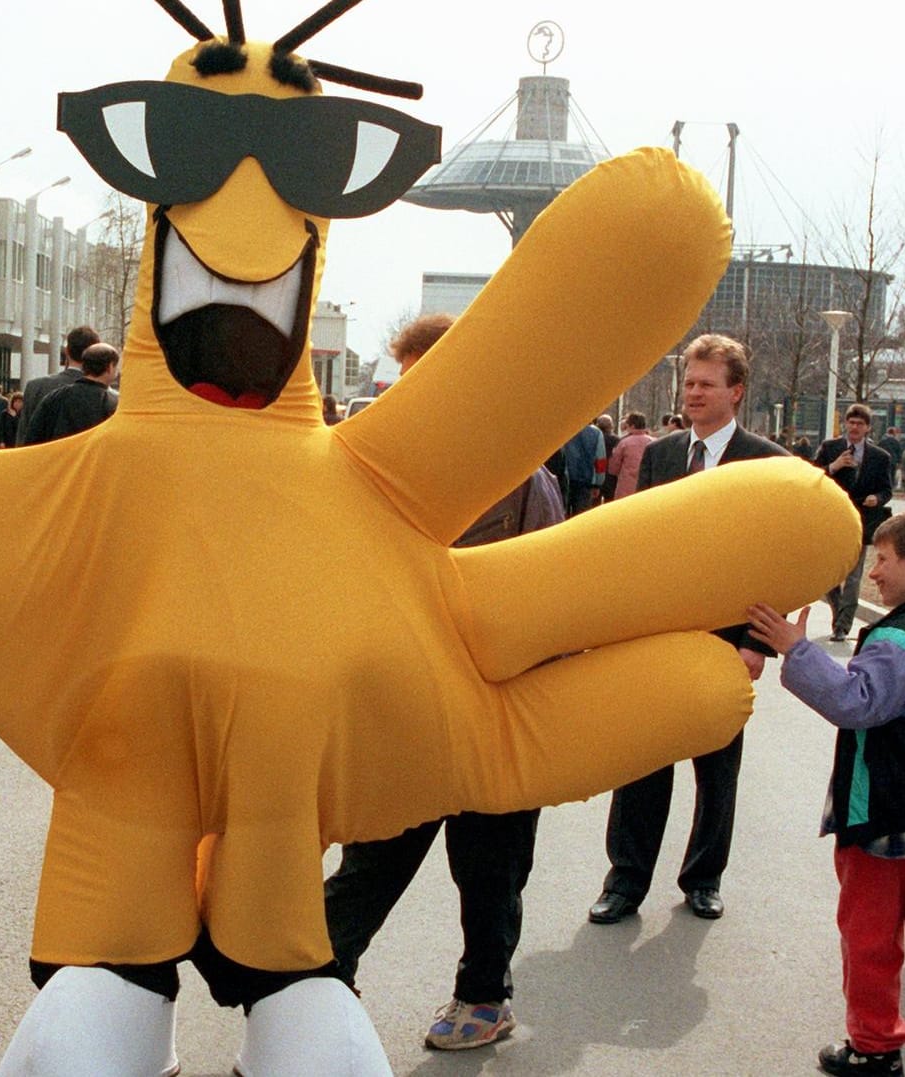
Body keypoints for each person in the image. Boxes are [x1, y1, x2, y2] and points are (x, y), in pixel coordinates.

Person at [323, 313, 564, 1052]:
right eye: (409, 378)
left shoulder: (523, 477)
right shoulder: (376, 471)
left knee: (490, 869)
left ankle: (484, 994)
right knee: (371, 858)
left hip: (495, 711)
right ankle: (320, 983)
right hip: (402, 710)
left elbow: (549, 593)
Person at [746, 511, 905, 1077]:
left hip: (881, 819)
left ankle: (874, 1045)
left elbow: (858, 702)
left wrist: (794, 648)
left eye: (883, 559)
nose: (873, 572)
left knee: (871, 943)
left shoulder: (902, 640)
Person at [589, 333, 786, 925]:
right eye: (689, 383)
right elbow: (644, 542)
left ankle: (704, 878)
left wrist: (756, 643)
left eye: (706, 384)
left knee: (716, 764)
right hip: (660, 636)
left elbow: (778, 559)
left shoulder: (769, 463)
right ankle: (625, 881)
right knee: (643, 759)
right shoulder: (662, 455)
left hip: (730, 639)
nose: (694, 393)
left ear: (737, 391)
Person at [817, 403, 895, 643]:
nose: (854, 427)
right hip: (833, 519)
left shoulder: (880, 457)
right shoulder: (831, 449)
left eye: (860, 424)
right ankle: (838, 608)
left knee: (853, 575)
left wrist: (877, 499)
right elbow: (812, 474)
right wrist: (834, 466)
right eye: (851, 422)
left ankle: (842, 624)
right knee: (828, 575)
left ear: (867, 428)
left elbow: (886, 489)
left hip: (861, 522)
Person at [17, 325, 100, 445]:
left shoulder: (35, 387)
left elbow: (23, 438)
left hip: (44, 460)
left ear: (67, 351)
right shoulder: (105, 395)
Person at [24, 343, 121, 444]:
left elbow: (32, 439)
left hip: (58, 457)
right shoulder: (114, 404)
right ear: (110, 367)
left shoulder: (54, 397)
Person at [555, 417, 605, 514]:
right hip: (585, 481)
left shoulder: (563, 431)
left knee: (562, 513)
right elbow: (600, 460)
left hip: (565, 479)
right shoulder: (596, 433)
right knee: (582, 514)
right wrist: (598, 483)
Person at [606, 411, 654, 499]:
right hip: (648, 487)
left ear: (632, 426)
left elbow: (613, 468)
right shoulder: (654, 442)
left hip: (626, 487)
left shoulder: (624, 443)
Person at [879, 425, 905, 491]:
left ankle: (884, 486)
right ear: (894, 433)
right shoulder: (896, 442)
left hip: (883, 461)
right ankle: (891, 487)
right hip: (893, 461)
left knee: (884, 474)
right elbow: (899, 452)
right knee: (892, 474)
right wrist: (899, 462)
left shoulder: (882, 441)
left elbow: (878, 450)